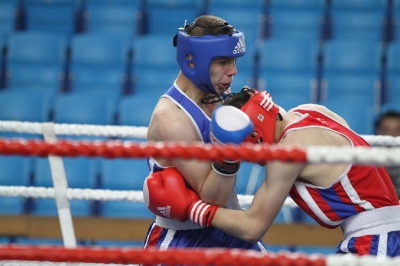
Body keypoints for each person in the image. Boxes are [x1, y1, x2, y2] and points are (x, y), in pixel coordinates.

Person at [144, 88, 400, 257]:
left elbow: (252, 227)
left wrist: (191, 208)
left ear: (254, 134)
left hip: (376, 243)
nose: (251, 159)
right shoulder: (311, 112)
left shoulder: (289, 151)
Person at [143, 15, 265, 252]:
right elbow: (213, 199)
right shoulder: (172, 118)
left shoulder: (221, 99)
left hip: (230, 227)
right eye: (223, 62)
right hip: (183, 240)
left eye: (234, 61)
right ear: (193, 60)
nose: (233, 72)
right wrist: (230, 147)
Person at [375, 110, 400, 199]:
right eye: (387, 130)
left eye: (397, 130)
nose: (391, 135)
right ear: (379, 130)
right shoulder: (369, 157)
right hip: (378, 207)